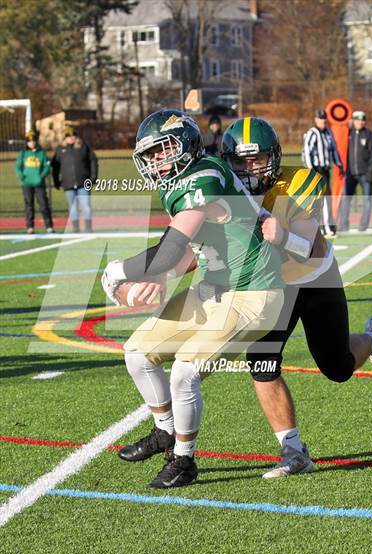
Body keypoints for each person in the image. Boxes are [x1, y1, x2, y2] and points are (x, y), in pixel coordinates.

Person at [101, 109, 285, 489]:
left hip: (254, 291)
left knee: (185, 370)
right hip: (215, 288)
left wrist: (118, 270)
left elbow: (170, 250)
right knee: (137, 352)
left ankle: (184, 460)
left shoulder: (204, 176)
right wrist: (161, 278)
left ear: (184, 145)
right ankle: (165, 432)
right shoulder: (182, 181)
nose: (154, 161)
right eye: (149, 154)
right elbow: (190, 250)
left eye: (161, 150)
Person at [221, 117, 372, 478]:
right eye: (240, 160)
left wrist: (278, 235)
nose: (249, 167)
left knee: (338, 367)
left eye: (257, 158)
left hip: (315, 279)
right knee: (262, 364)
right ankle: (294, 452)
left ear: (275, 156)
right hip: (271, 286)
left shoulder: (301, 181)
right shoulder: (225, 189)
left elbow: (310, 251)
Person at [302, 109, 344, 236]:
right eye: (320, 118)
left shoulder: (328, 132)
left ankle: (327, 226)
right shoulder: (312, 133)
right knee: (316, 200)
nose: (323, 120)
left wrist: (339, 164)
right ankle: (320, 227)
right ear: (316, 119)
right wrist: (311, 169)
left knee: (327, 199)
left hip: (325, 170)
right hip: (316, 169)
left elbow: (334, 149)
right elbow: (306, 152)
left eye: (324, 118)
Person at [338, 111, 372, 232]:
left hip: (365, 173)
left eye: (362, 120)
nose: (360, 122)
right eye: (357, 120)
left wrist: (370, 170)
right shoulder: (348, 134)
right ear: (353, 121)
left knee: (367, 199)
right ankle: (343, 225)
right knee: (346, 198)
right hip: (350, 174)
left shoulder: (370, 135)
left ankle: (363, 225)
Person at [51, 126, 97, 233]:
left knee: (86, 207)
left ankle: (88, 228)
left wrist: (93, 177)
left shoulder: (83, 147)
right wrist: (56, 181)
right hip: (68, 184)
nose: (71, 137)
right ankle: (75, 228)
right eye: (68, 135)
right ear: (65, 137)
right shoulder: (60, 150)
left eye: (73, 135)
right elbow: (55, 167)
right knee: (72, 208)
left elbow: (93, 161)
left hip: (83, 183)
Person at [15, 130, 54, 234]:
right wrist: (22, 176)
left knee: (43, 204)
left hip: (39, 184)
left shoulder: (41, 153)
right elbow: (18, 167)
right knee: (29, 205)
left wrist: (41, 176)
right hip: (27, 184)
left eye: (33, 140)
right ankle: (30, 227)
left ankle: (49, 226)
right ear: (26, 142)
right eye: (29, 141)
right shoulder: (23, 154)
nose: (31, 143)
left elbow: (47, 167)